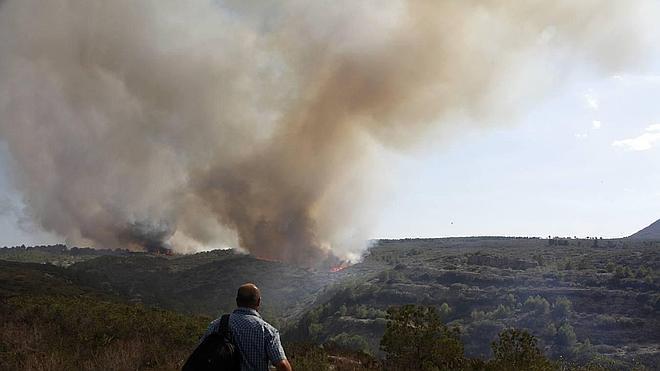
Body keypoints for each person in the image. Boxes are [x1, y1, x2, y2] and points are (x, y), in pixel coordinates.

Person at [202, 283, 292, 371]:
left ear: (237, 301)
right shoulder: (267, 331)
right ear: (258, 302)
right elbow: (283, 366)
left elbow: (199, 356)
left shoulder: (215, 325)